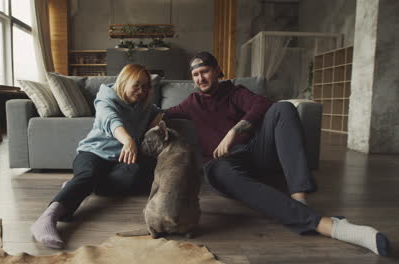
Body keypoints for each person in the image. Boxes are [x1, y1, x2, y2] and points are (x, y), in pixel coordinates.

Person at [164, 51, 389, 256]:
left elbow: (264, 104)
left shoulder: (234, 92)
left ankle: (299, 196)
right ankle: (332, 226)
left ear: (216, 70)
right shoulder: (191, 103)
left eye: (204, 72)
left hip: (254, 154)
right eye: (195, 75)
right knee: (217, 169)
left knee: (283, 108)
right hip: (221, 164)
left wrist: (233, 131)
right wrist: (142, 118)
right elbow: (162, 113)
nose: (200, 78)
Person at [31, 64, 163, 249]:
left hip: (119, 161)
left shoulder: (144, 106)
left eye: (146, 86)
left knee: (139, 174)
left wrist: (160, 117)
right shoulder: (105, 99)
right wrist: (127, 140)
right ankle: (47, 218)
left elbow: (159, 111)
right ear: (124, 82)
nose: (141, 91)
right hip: (93, 153)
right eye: (137, 85)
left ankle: (76, 188)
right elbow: (111, 120)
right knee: (89, 174)